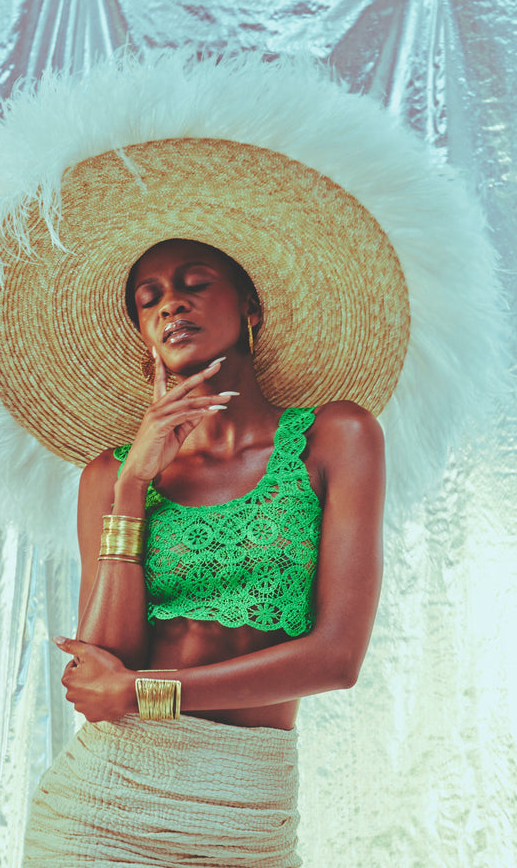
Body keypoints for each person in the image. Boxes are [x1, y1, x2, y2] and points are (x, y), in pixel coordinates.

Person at [21, 236, 386, 866]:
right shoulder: (109, 476)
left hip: (247, 808)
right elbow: (100, 665)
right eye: (149, 298)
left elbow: (336, 659)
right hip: (103, 807)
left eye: (195, 283)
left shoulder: (337, 437)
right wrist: (133, 488)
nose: (171, 305)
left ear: (251, 305)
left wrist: (141, 692)